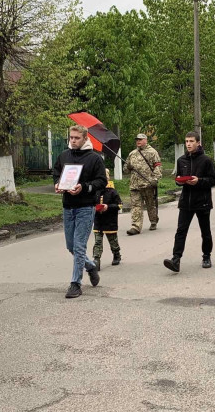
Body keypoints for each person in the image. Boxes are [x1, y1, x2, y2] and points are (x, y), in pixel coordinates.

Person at [53, 125, 106, 299]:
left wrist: (84, 187)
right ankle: (90, 266)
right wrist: (57, 184)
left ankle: (75, 283)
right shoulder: (64, 156)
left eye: (77, 138)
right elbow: (56, 173)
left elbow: (101, 181)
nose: (73, 140)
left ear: (85, 138)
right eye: (71, 137)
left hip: (85, 207)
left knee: (79, 246)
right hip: (68, 206)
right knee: (71, 246)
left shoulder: (94, 158)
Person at [163, 132, 215, 273]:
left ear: (198, 143)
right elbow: (178, 178)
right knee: (181, 231)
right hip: (186, 202)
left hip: (202, 202)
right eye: (186, 141)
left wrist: (199, 181)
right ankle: (176, 259)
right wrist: (179, 181)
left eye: (191, 141)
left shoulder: (206, 160)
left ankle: (206, 256)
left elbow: (213, 180)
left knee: (205, 231)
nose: (188, 144)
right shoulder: (181, 160)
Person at [123, 133, 162, 236]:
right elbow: (125, 169)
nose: (138, 141)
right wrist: (128, 167)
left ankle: (153, 220)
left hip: (148, 184)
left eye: (140, 139)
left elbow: (157, 166)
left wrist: (155, 179)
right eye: (137, 140)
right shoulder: (132, 154)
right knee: (136, 206)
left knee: (150, 204)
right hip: (135, 185)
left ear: (145, 140)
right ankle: (135, 226)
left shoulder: (152, 152)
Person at [92, 169, 122, 269]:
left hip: (110, 221)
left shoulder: (113, 192)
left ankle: (116, 254)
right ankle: (96, 259)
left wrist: (108, 207)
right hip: (98, 220)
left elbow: (119, 205)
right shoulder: (96, 191)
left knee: (113, 241)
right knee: (98, 242)